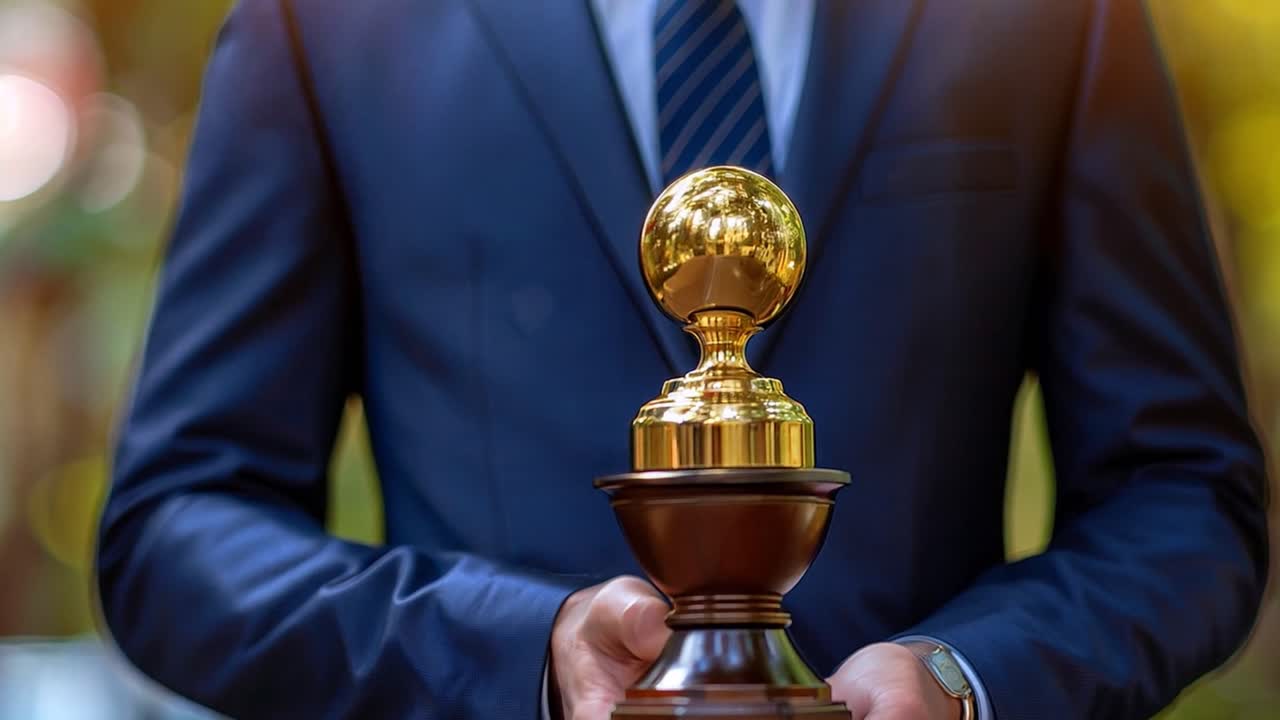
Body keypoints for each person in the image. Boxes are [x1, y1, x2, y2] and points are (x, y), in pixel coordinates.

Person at [96, 0, 1269, 718]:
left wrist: (972, 679)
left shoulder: (1050, 15)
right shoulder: (332, 18)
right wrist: (516, 659)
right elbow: (179, 529)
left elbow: (1181, 491)